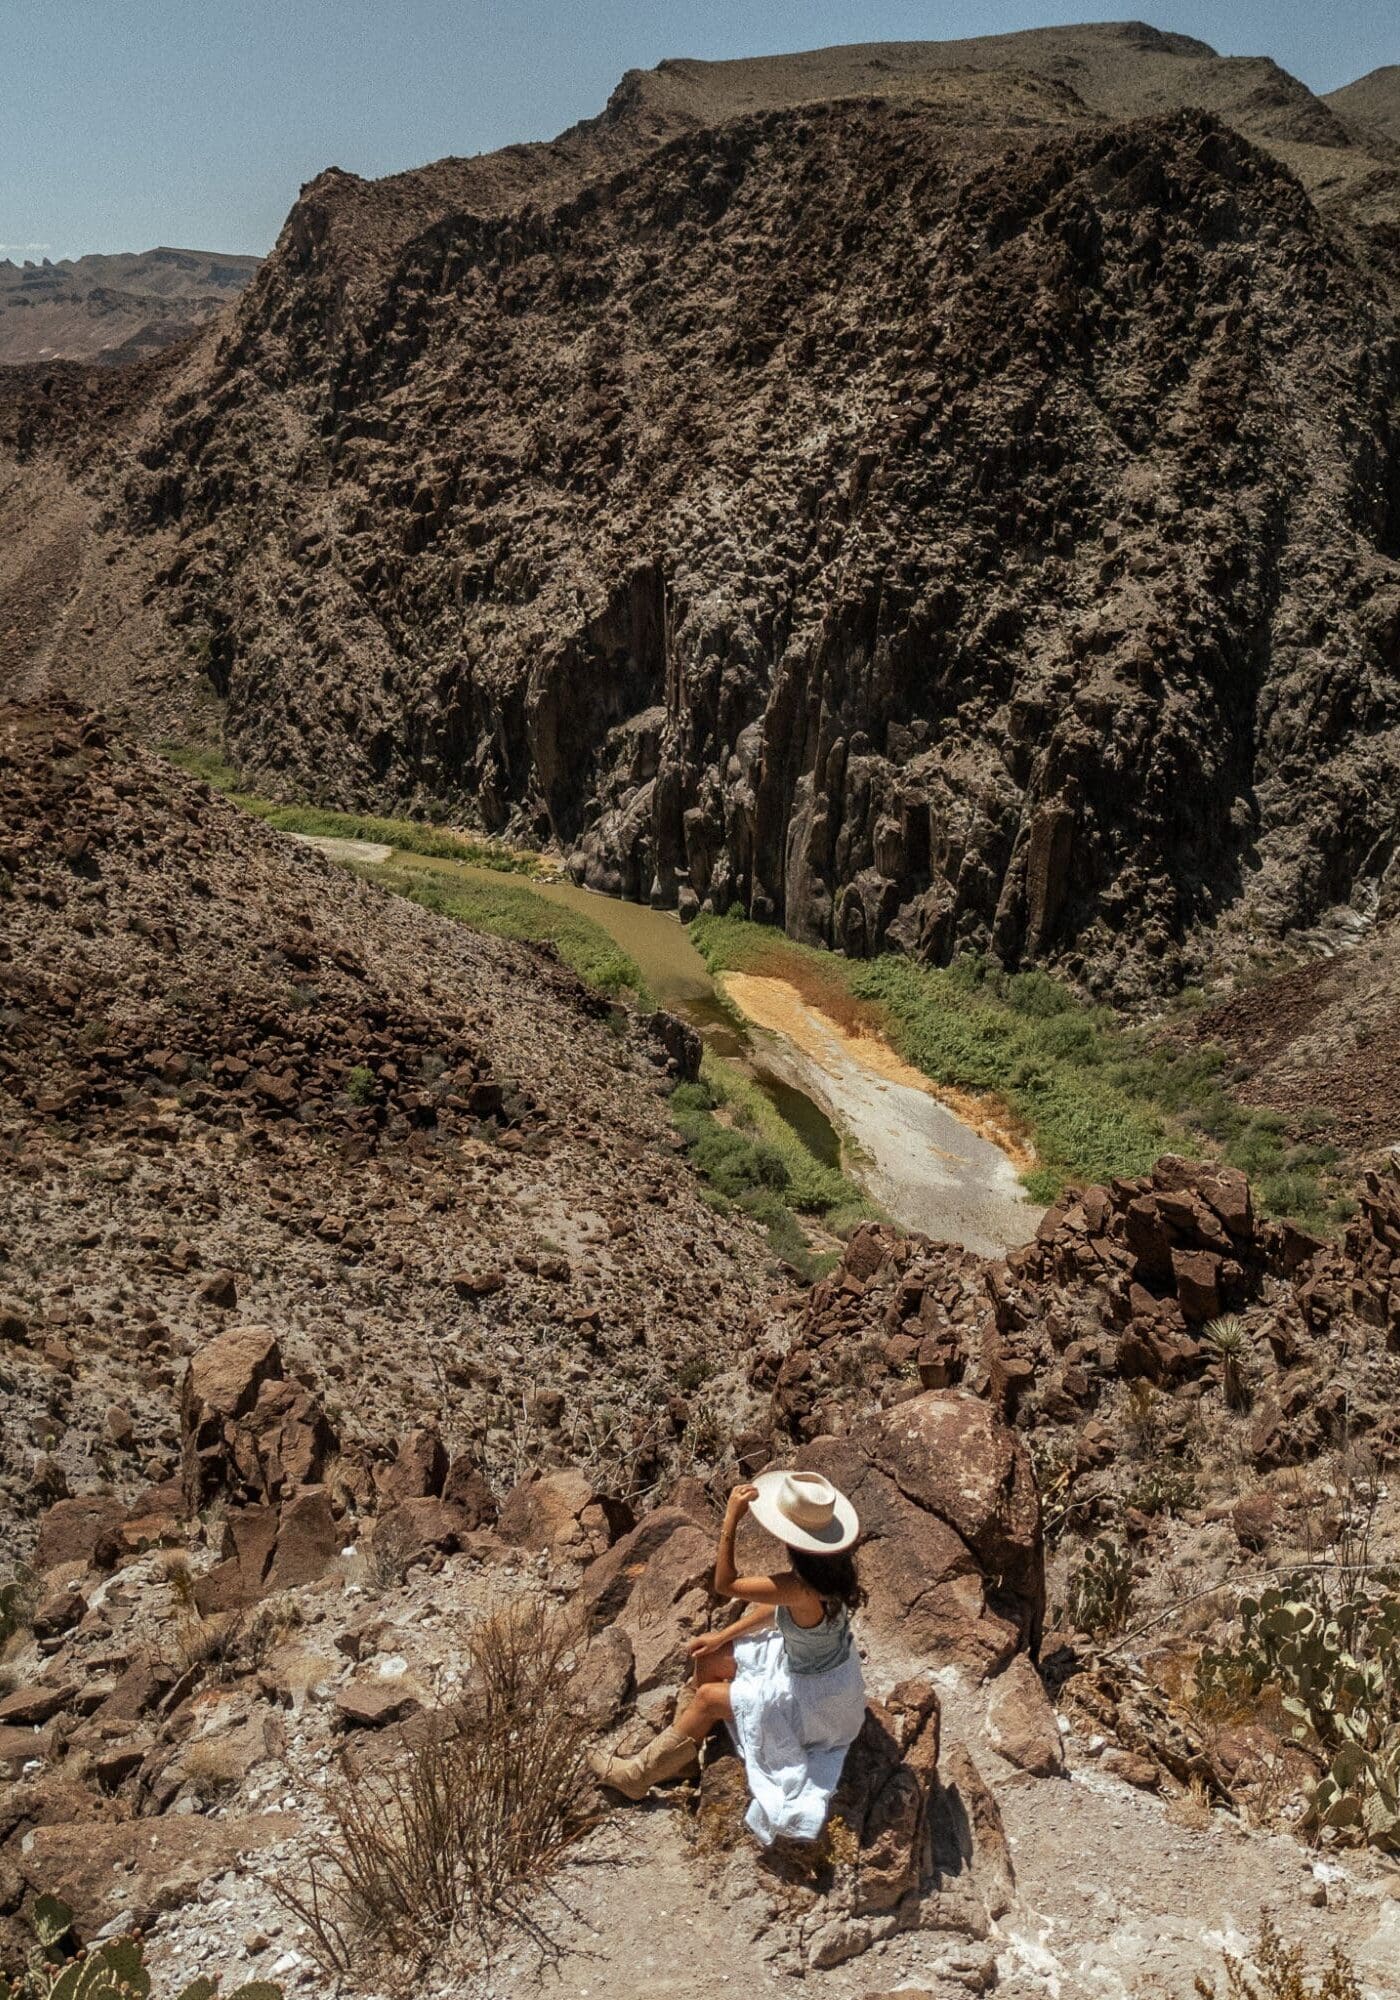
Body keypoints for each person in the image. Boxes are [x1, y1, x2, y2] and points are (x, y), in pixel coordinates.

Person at [589, 1469, 867, 1843]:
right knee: (712, 1656)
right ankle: (686, 1753)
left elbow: (725, 1584)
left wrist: (731, 1519)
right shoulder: (832, 1573)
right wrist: (723, 1635)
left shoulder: (800, 1585)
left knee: (705, 1697)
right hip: (823, 1676)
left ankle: (637, 1777)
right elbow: (782, 1608)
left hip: (816, 1705)